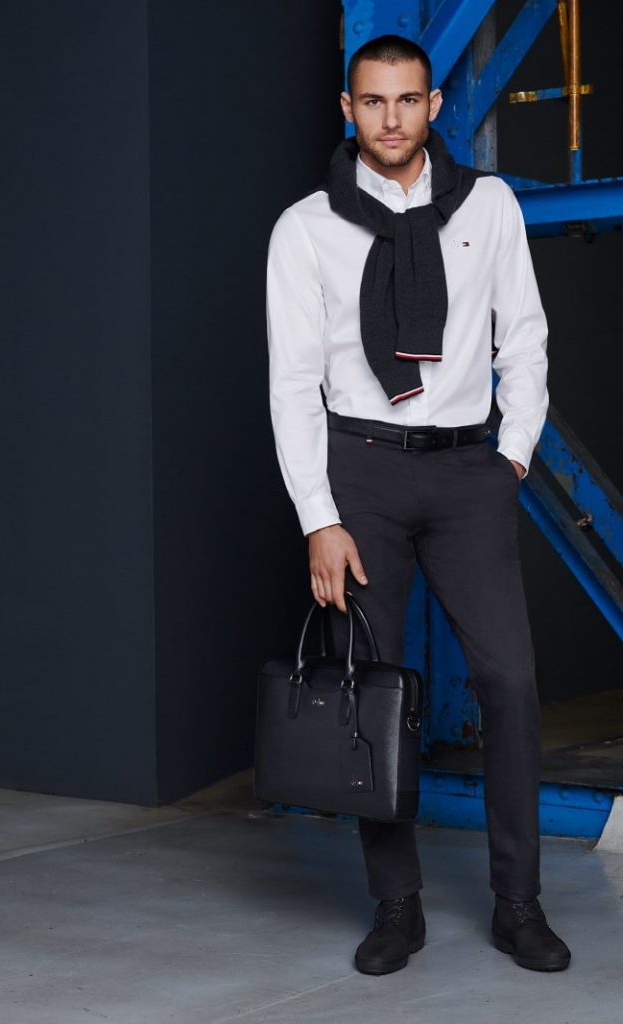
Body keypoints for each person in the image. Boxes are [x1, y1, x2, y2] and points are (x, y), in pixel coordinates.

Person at [265, 34, 571, 975]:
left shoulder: (490, 205)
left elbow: (524, 337)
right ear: (347, 108)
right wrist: (319, 516)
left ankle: (518, 904)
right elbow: (293, 383)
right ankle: (396, 904)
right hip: (359, 472)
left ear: (434, 106)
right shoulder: (305, 229)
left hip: (468, 469)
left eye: (407, 100)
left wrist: (512, 455)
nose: (391, 119)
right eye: (373, 101)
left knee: (509, 685)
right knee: (374, 691)